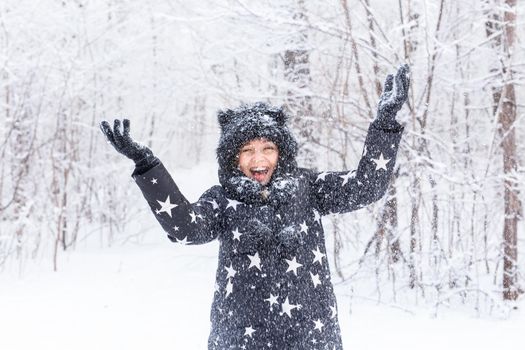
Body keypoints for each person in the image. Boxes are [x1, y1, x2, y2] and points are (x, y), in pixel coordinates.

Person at [100, 64, 410, 350]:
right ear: (232, 158)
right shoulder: (222, 200)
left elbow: (367, 187)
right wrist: (146, 164)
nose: (258, 159)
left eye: (268, 148)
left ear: (282, 152)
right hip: (240, 339)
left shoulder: (310, 189)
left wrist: (384, 124)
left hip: (311, 337)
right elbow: (184, 228)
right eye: (247, 150)